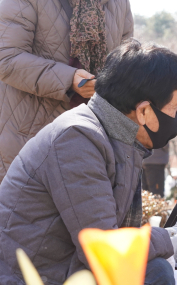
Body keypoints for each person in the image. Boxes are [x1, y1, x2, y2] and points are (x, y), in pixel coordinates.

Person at [0, 40, 177, 285]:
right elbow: (103, 247)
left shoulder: (108, 134)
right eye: (174, 106)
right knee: (155, 280)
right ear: (144, 110)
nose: (176, 116)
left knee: (156, 275)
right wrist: (168, 243)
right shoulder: (79, 138)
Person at [0, 0, 134, 183]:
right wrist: (69, 79)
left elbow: (125, 63)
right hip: (30, 137)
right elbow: (7, 59)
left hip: (94, 140)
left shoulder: (119, 4)